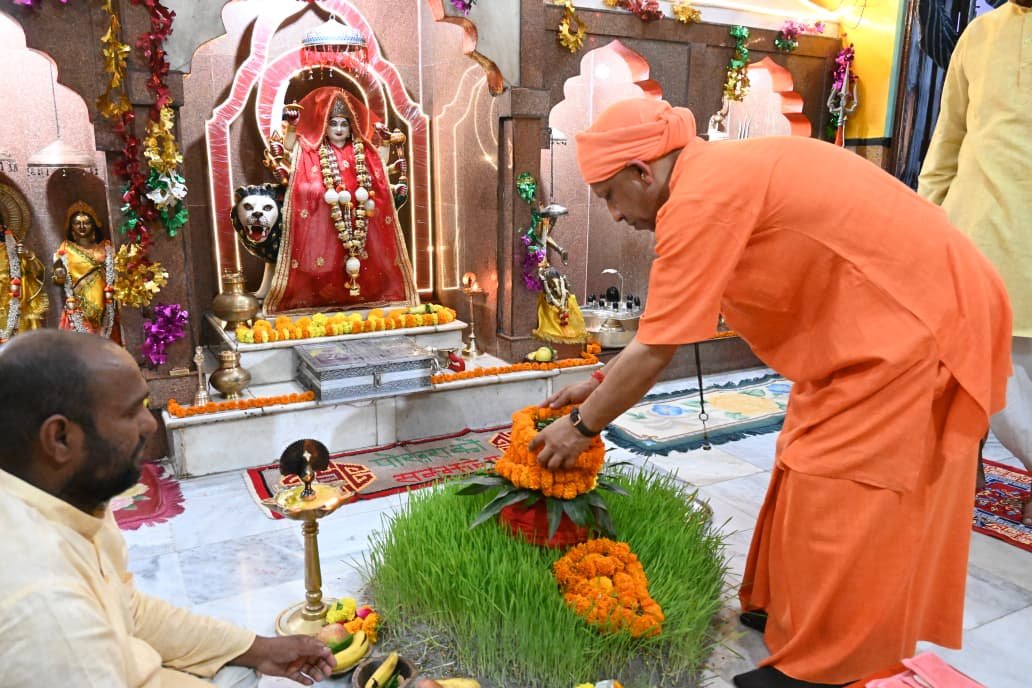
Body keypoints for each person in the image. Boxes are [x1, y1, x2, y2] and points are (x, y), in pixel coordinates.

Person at [529, 98, 1011, 688]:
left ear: (643, 172)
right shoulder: (708, 180)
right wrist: (600, 383)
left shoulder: (702, 199)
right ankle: (786, 608)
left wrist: (581, 428)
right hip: (873, 325)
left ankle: (824, 669)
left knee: (840, 482)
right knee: (799, 455)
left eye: (607, 196)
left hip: (917, 322)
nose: (612, 214)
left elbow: (656, 349)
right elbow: (664, 329)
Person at [0, 329, 336, 687]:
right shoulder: (42, 606)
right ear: (60, 438)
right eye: (131, 413)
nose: (150, 425)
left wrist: (257, 649)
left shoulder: (72, 497)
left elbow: (131, 612)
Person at [917, 0, 1032, 526]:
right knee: (965, 373)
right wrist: (924, 226)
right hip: (972, 241)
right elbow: (948, 142)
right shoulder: (980, 33)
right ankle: (964, 466)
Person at [263, 87, 418, 314]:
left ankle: (362, 297)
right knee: (324, 266)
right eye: (333, 123)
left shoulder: (361, 149)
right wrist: (293, 125)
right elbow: (288, 147)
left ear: (351, 126)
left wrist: (384, 144)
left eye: (343, 124)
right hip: (323, 221)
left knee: (367, 262)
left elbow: (380, 168)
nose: (338, 129)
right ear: (323, 125)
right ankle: (323, 301)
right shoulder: (312, 150)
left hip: (360, 220)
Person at [52, 201, 120, 342]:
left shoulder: (106, 247)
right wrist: (59, 274)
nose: (82, 227)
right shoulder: (65, 249)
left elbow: (116, 274)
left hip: (105, 305)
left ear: (94, 225)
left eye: (86, 223)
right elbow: (58, 279)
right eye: (77, 223)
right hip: (78, 306)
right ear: (71, 227)